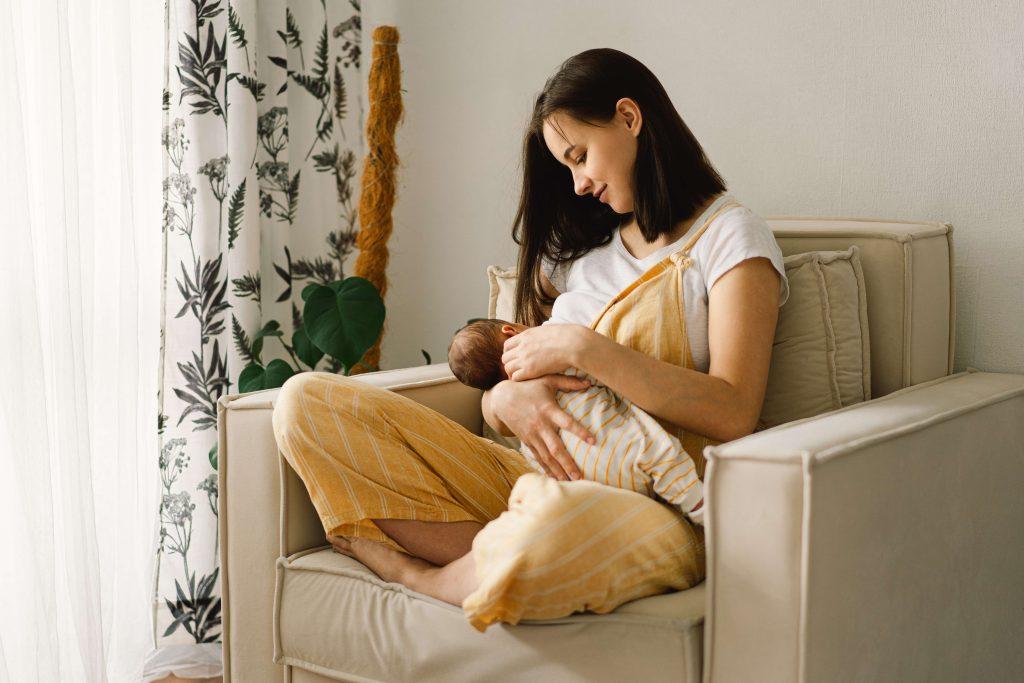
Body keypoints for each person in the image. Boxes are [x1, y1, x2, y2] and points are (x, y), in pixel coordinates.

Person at [271, 47, 789, 630]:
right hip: (531, 477)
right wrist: (502, 401)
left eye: (580, 157)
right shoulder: (584, 253)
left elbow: (735, 408)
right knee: (304, 403)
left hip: (654, 506)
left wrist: (586, 349)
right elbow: (505, 360)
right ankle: (502, 551)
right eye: (566, 168)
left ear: (629, 117)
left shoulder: (730, 238)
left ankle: (426, 574)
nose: (578, 183)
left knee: (554, 526)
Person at [446, 308, 706, 524]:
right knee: (657, 453)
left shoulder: (520, 411)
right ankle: (699, 505)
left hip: (580, 483)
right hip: (621, 451)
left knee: (537, 457)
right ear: (511, 331)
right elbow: (601, 373)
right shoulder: (550, 355)